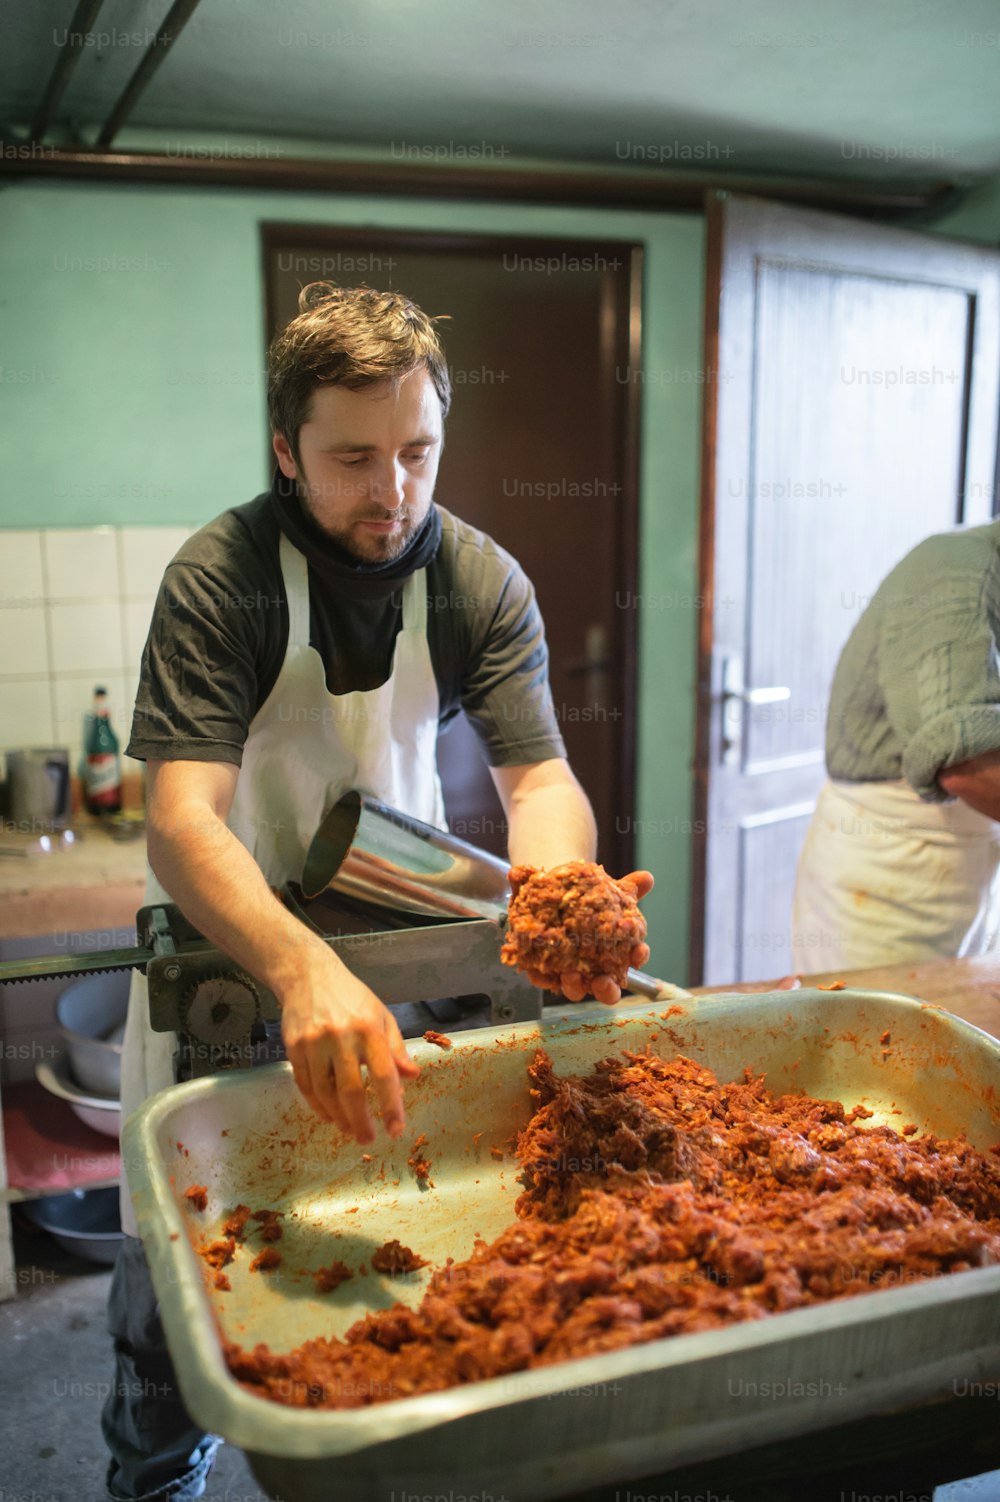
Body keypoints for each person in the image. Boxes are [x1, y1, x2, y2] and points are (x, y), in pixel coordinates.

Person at [103, 281, 652, 1501]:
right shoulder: (221, 578)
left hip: (385, 943)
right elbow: (183, 821)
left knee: (376, 1245)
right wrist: (297, 965)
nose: (391, 488)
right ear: (286, 449)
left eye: (417, 450)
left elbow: (541, 778)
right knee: (170, 1303)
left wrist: (563, 896)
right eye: (352, 457)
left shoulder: (475, 580)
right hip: (232, 953)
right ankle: (156, 1476)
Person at [792, 517, 1000, 973]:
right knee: (867, 1035)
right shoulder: (957, 570)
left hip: (963, 862)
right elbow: (966, 765)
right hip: (892, 877)